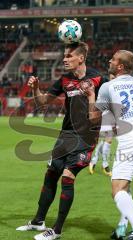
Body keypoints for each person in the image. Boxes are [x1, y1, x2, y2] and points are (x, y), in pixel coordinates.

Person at [16, 41, 107, 240]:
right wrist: (36, 89)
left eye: (69, 56)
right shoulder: (65, 80)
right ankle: (38, 221)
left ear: (81, 58)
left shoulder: (100, 79)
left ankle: (56, 230)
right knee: (51, 175)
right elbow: (42, 103)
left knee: (68, 176)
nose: (64, 59)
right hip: (65, 136)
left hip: (86, 137)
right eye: (64, 55)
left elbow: (105, 111)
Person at [82, 50, 133, 240]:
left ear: (120, 66)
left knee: (117, 189)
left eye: (113, 59)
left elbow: (93, 117)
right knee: (125, 185)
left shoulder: (108, 86)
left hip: (131, 141)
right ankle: (122, 227)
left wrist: (91, 95)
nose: (109, 60)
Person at [89, 110, 112, 176]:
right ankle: (105, 165)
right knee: (108, 139)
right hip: (105, 114)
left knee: (106, 140)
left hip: (112, 115)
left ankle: (93, 162)